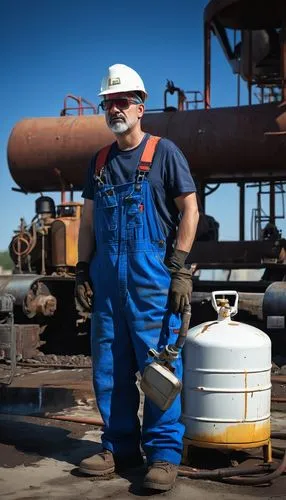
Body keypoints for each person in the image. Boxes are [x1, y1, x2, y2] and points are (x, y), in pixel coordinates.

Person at [75, 63, 199, 491]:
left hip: (151, 278)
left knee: (159, 366)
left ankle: (164, 454)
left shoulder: (164, 153)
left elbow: (190, 209)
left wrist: (179, 267)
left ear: (140, 106)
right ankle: (120, 446)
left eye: (121, 101)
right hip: (107, 278)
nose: (114, 109)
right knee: (110, 366)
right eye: (108, 102)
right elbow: (88, 221)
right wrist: (81, 269)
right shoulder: (99, 162)